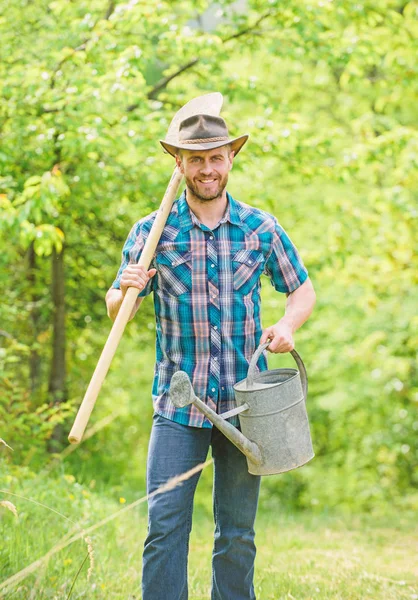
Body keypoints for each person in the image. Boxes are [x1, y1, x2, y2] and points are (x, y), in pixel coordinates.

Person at [106, 113, 316, 600]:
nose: (206, 168)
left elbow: (301, 290)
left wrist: (287, 325)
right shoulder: (152, 232)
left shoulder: (259, 228)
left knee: (237, 535)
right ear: (178, 164)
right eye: (195, 159)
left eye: (215, 158)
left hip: (246, 410)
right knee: (164, 529)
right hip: (179, 407)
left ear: (230, 159)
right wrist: (127, 290)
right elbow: (118, 307)